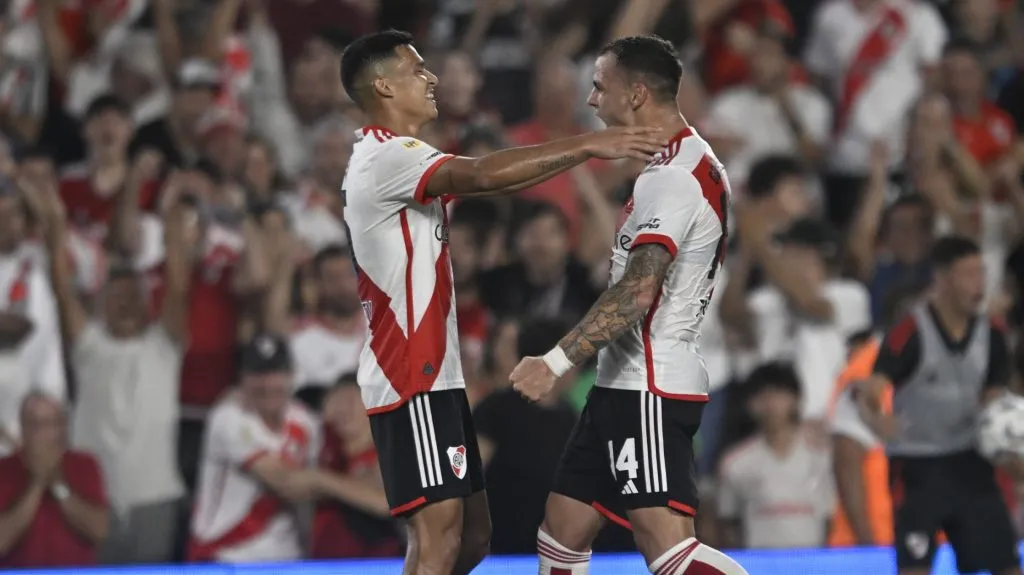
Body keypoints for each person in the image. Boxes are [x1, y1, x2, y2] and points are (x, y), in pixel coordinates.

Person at [338, 29, 666, 575]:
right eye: (417, 70)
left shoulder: (391, 157)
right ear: (383, 87)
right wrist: (587, 145)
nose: (431, 77)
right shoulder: (387, 156)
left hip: (433, 374)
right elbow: (484, 175)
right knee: (439, 540)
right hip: (409, 373)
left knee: (470, 539)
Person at [510, 35, 750, 575]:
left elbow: (639, 291)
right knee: (562, 530)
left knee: (667, 550)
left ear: (637, 93)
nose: (591, 100)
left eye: (599, 86)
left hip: (649, 384)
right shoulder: (686, 160)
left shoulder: (673, 179)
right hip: (622, 382)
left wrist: (554, 363)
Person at [856, 235, 1024, 575]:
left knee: (1006, 564)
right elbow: (871, 392)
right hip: (919, 468)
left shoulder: (991, 335)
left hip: (971, 462)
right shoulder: (910, 332)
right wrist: (878, 420)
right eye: (969, 275)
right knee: (915, 566)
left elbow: (993, 407)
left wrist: (1009, 450)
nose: (979, 285)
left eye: (982, 274)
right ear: (942, 279)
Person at [0, 392, 109, 567]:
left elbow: (99, 531)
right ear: (21, 428)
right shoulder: (3, 469)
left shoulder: (86, 464)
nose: (40, 432)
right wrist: (36, 483)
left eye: (47, 423)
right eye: (32, 423)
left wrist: (58, 485)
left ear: (62, 428)